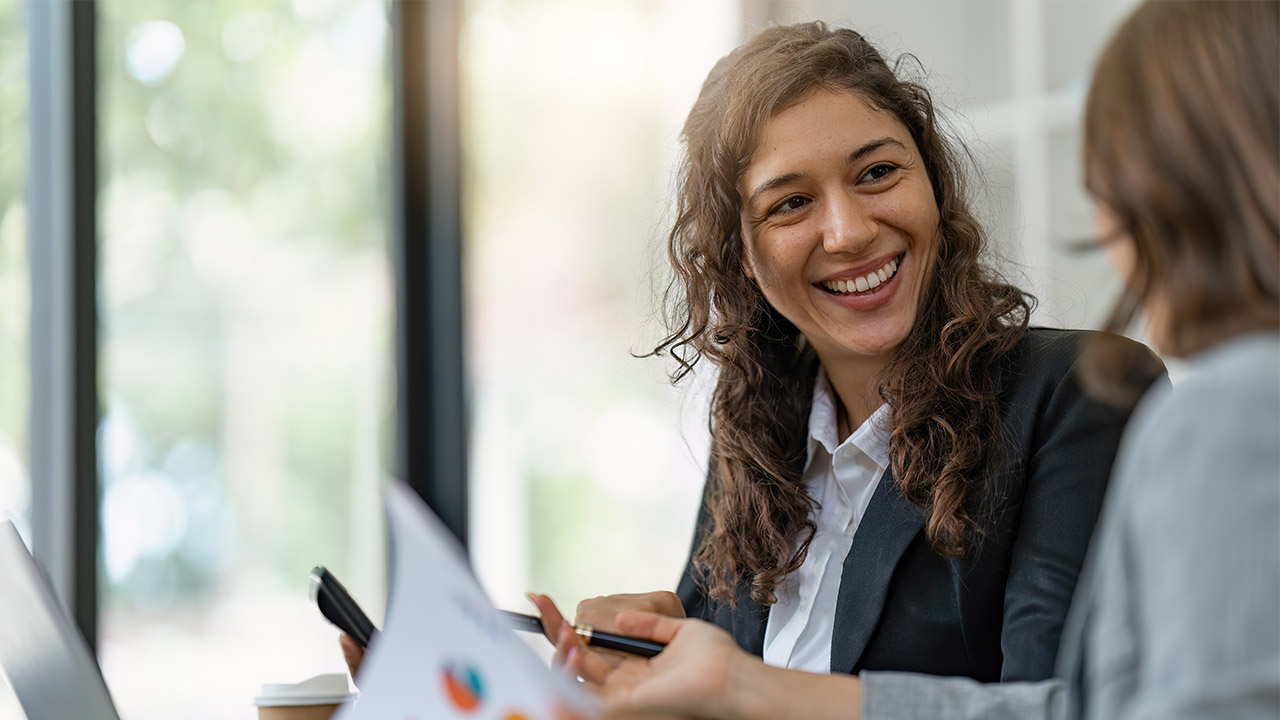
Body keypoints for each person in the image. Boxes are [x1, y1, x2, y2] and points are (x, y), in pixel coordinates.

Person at [541, 1, 1280, 718]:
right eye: (790, 204)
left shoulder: (1078, 395)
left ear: (932, 184)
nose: (849, 231)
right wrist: (663, 664)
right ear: (742, 258)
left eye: (876, 174)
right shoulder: (758, 434)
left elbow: (1067, 703)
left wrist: (743, 688)